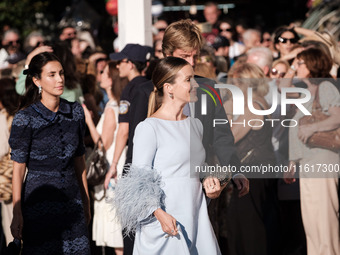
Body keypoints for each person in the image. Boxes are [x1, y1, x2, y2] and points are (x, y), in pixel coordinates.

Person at [114, 56, 222, 254]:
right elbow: (139, 182)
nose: (195, 83)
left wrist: (211, 184)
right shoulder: (149, 127)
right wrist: (158, 214)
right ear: (169, 88)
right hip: (165, 223)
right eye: (188, 79)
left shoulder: (195, 124)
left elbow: (199, 168)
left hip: (197, 216)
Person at [9, 52, 91, 254]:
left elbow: (79, 161)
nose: (60, 79)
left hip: (73, 202)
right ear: (37, 80)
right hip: (39, 205)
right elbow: (18, 170)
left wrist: (86, 202)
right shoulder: (24, 118)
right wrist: (17, 213)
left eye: (61, 73)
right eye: (52, 74)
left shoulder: (76, 112)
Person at [283, 47, 340, 255]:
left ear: (312, 65)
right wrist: (292, 163)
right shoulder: (305, 92)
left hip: (323, 157)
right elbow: (282, 87)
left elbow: (338, 116)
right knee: (312, 220)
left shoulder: (326, 86)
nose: (296, 68)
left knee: (324, 218)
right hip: (307, 160)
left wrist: (313, 127)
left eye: (300, 64)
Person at [224, 63, 280, 255]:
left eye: (236, 83)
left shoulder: (254, 106)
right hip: (258, 171)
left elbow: (230, 136)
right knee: (249, 224)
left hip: (254, 172)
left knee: (247, 227)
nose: (233, 87)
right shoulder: (258, 102)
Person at [83, 61, 128, 255]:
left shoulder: (111, 107)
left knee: (116, 231)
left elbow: (103, 144)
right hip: (116, 165)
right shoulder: (119, 104)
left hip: (111, 167)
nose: (99, 75)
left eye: (103, 73)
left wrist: (88, 121)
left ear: (111, 80)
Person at [0, 78, 21, 245]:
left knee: (11, 226)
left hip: (8, 179)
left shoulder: (3, 118)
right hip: (27, 175)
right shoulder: (22, 114)